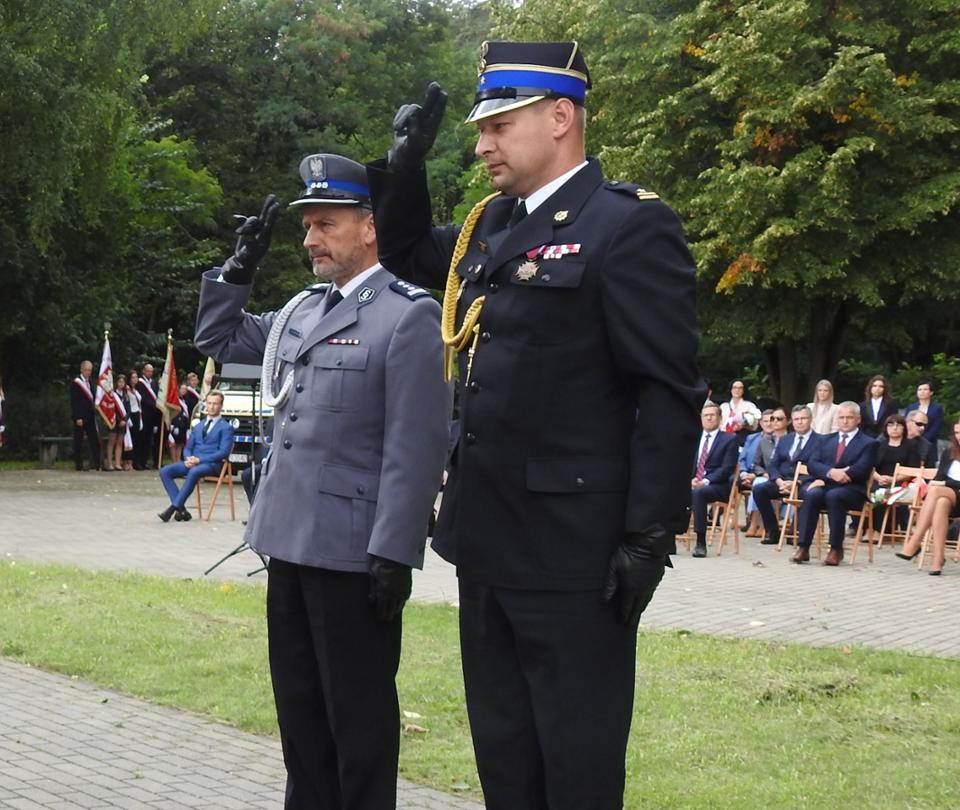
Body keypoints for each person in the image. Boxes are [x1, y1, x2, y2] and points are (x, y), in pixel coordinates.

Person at [370, 41, 703, 807]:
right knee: (507, 766)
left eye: (499, 124)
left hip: (573, 556)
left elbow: (666, 392)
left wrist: (647, 535)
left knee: (575, 772)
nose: (482, 142)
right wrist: (405, 170)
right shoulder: (492, 224)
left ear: (561, 117)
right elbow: (410, 254)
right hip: (486, 543)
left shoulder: (625, 226)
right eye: (480, 127)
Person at [196, 152, 448, 809]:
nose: (310, 238)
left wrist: (395, 550)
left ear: (369, 227)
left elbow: (414, 445)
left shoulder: (408, 314)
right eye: (306, 226)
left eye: (325, 224)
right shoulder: (301, 313)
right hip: (287, 541)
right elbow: (220, 340)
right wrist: (236, 270)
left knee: (358, 726)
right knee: (301, 719)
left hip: (353, 552)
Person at [792, 403, 876, 565]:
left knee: (834, 496)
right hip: (827, 485)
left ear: (858, 419)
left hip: (853, 489)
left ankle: (836, 548)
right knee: (811, 494)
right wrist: (832, 473)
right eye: (841, 417)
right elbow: (813, 464)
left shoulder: (869, 443)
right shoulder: (825, 440)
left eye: (849, 418)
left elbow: (863, 468)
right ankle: (803, 547)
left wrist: (840, 475)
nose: (844, 421)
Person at [156, 392, 236, 522]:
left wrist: (199, 460)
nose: (212, 407)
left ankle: (172, 509)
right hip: (194, 462)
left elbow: (223, 452)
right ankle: (181, 509)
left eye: (215, 404)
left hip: (213, 464)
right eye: (209, 403)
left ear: (221, 406)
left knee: (194, 472)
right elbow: (188, 447)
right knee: (165, 471)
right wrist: (188, 458)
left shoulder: (226, 428)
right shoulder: (198, 425)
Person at [898, 420, 960, 575]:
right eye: (957, 433)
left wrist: (944, 483)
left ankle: (915, 541)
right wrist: (939, 483)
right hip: (948, 497)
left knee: (936, 491)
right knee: (940, 503)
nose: (959, 436)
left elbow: (942, 481)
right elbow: (938, 477)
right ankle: (937, 559)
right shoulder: (949, 452)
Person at [750, 406, 815, 544]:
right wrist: (779, 481)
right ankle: (772, 531)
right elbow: (774, 465)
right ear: (793, 421)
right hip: (782, 481)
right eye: (797, 419)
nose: (800, 422)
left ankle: (796, 531)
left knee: (810, 494)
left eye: (803, 418)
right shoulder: (786, 439)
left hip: (804, 482)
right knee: (759, 489)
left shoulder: (819, 440)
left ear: (810, 420)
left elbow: (818, 468)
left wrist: (797, 482)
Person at [688, 403, 740, 558]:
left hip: (718, 486)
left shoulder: (729, 439)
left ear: (719, 418)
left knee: (699, 493)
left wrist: (705, 480)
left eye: (712, 415)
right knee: (671, 489)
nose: (709, 417)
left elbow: (727, 468)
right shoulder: (694, 438)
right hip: (694, 482)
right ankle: (669, 539)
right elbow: (685, 463)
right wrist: (690, 479)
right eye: (706, 415)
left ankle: (700, 542)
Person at [738, 406, 790, 538]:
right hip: (768, 477)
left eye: (779, 418)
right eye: (773, 419)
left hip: (788, 479)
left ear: (788, 421)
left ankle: (766, 525)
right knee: (759, 485)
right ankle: (763, 525)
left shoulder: (792, 440)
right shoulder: (764, 441)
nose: (775, 421)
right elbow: (755, 464)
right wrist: (764, 473)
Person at [69, 360, 103, 472]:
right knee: (78, 441)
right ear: (81, 370)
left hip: (90, 416)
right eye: (86, 370)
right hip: (80, 417)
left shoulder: (91, 382)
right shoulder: (76, 383)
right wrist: (77, 417)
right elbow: (74, 401)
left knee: (94, 441)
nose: (88, 372)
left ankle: (97, 464)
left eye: (90, 370)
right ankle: (79, 465)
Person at [133, 363, 161, 471]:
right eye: (148, 371)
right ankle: (137, 461)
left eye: (151, 371)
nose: (150, 373)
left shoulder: (153, 383)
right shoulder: (140, 383)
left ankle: (144, 461)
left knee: (148, 439)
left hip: (152, 416)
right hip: (144, 413)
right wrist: (154, 405)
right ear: (144, 371)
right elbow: (143, 398)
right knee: (141, 438)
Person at [903, 382, 945, 448]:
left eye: (925, 389)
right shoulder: (911, 407)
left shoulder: (937, 409)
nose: (922, 392)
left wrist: (922, 440)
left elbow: (936, 427)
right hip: (911, 442)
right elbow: (906, 423)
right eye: (919, 390)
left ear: (931, 392)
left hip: (929, 443)